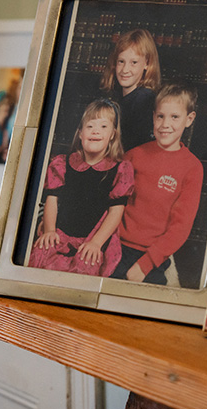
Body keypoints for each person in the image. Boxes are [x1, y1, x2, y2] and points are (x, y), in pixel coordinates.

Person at [28, 98, 134, 277]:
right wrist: (49, 230)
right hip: (61, 231)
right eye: (90, 126)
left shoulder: (119, 169)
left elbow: (116, 212)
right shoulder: (62, 164)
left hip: (92, 237)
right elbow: (52, 200)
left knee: (85, 267)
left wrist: (97, 243)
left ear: (113, 135)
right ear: (80, 133)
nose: (95, 131)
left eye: (103, 127)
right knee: (39, 255)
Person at [111, 82, 203, 285]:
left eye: (175, 117)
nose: (165, 124)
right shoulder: (134, 155)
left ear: (189, 119)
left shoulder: (192, 168)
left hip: (152, 258)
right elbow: (108, 200)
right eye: (160, 116)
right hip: (114, 246)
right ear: (153, 116)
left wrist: (145, 265)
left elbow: (181, 227)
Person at [100, 28, 161, 151]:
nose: (125, 70)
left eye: (134, 62)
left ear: (147, 64)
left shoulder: (144, 100)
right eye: (121, 61)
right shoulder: (120, 97)